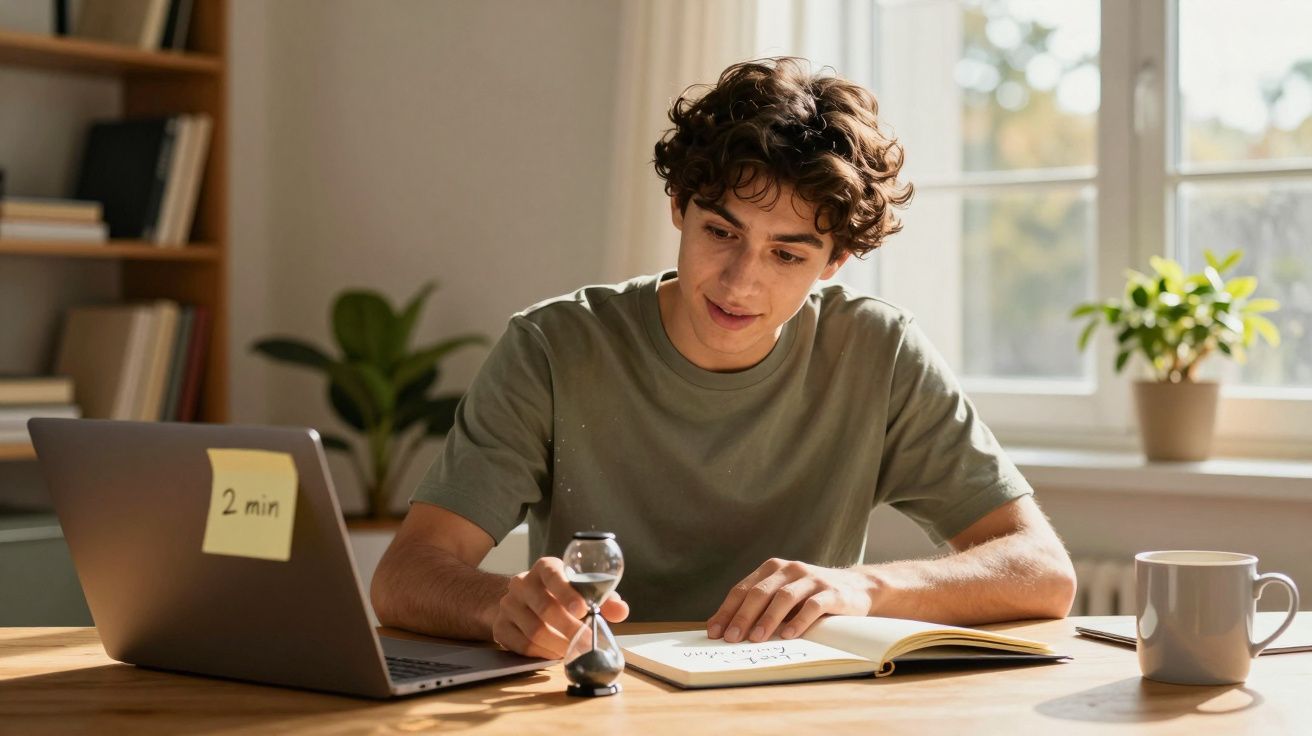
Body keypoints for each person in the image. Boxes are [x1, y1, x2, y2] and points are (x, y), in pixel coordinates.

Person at [372, 57, 1076, 659]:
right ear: (679, 205)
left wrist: (860, 587)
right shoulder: (555, 347)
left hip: (799, 706)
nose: (741, 282)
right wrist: (501, 604)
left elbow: (1042, 571)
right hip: (597, 703)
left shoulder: (878, 351)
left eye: (788, 253)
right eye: (721, 231)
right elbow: (405, 576)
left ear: (836, 260)